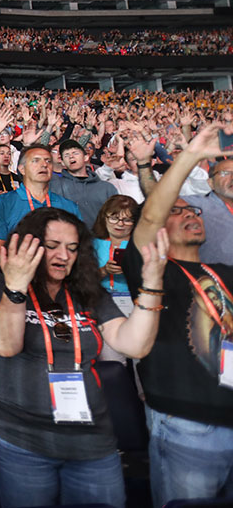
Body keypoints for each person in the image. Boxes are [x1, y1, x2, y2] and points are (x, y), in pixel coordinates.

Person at [0, 208, 168, 508]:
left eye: (72, 248)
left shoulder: (87, 291)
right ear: (30, 245)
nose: (64, 255)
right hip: (21, 439)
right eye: (52, 246)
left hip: (91, 438)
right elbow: (5, 345)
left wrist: (152, 286)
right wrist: (15, 287)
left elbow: (134, 345)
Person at [122, 123, 233, 506]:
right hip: (188, 424)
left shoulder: (224, 271)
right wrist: (188, 157)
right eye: (177, 211)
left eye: (194, 210)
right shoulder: (152, 268)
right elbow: (150, 217)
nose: (190, 215)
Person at [0, 144, 81, 263]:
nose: (44, 165)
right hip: (20, 277)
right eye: (36, 161)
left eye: (48, 161)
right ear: (21, 169)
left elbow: (80, 249)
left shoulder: (69, 206)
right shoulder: (3, 203)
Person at [50, 139, 117, 228]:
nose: (71, 157)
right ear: (62, 163)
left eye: (75, 153)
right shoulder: (55, 185)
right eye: (66, 155)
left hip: (101, 240)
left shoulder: (106, 188)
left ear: (86, 157)